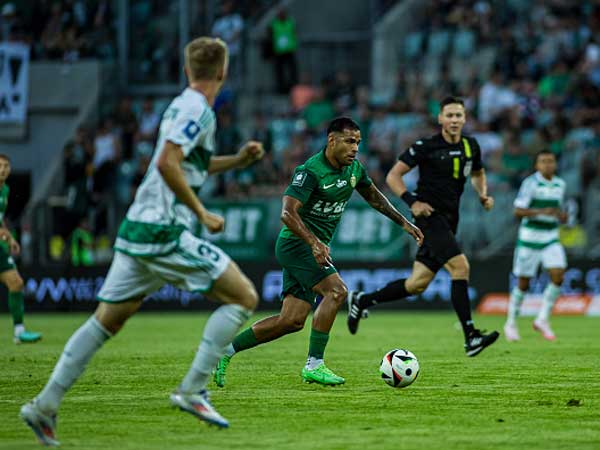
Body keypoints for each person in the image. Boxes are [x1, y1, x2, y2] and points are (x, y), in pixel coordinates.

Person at [20, 37, 264, 446]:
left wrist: (237, 160)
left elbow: (186, 164)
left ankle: (43, 406)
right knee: (244, 297)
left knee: (105, 321)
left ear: (188, 70)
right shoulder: (197, 109)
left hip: (138, 229)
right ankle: (192, 391)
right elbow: (168, 164)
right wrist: (201, 213)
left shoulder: (182, 105)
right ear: (222, 72)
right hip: (162, 230)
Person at [213, 117, 423, 387]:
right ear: (331, 140)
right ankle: (314, 365)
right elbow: (287, 214)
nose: (355, 148)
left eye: (358, 142)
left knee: (291, 321)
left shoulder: (354, 169)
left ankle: (224, 351)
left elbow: (373, 197)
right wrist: (314, 242)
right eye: (349, 141)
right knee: (337, 291)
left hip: (313, 248)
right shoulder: (311, 171)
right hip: (296, 245)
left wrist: (404, 222)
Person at [346, 96, 500, 357]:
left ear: (464, 119)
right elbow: (393, 175)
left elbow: (477, 173)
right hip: (429, 217)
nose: (453, 120)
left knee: (417, 284)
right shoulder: (426, 146)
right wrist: (412, 201)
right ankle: (471, 337)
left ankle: (362, 300)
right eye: (449, 115)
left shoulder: (471, 145)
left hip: (450, 220)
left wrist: (482, 193)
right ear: (440, 118)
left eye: (458, 116)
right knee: (460, 267)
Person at [504, 150, 567, 342]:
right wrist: (542, 211)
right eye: (543, 161)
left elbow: (558, 211)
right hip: (529, 240)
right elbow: (518, 211)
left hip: (550, 238)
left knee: (558, 276)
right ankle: (511, 322)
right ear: (537, 165)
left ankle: (542, 319)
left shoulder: (560, 184)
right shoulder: (530, 183)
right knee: (524, 283)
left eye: (550, 161)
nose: (547, 164)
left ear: (555, 164)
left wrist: (561, 216)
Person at [0, 154, 42, 344]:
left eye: (6, 166)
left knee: (16, 283)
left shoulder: (5, 190)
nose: (2, 169)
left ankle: (19, 331)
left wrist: (10, 239)